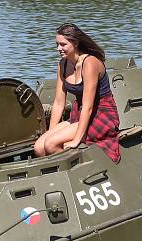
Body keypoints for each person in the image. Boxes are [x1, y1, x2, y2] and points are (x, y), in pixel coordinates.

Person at [33, 23, 120, 163]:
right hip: (79, 115)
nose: (58, 48)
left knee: (51, 145)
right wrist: (50, 132)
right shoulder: (63, 64)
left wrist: (76, 140)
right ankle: (58, 172)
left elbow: (88, 107)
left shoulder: (90, 63)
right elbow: (58, 103)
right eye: (57, 44)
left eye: (63, 44)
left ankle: (78, 166)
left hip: (100, 115)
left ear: (76, 43)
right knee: (39, 147)